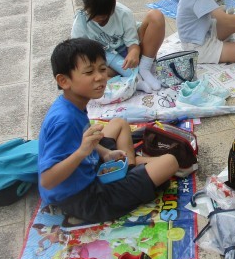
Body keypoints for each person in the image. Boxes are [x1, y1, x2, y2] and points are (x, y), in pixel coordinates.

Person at [38, 38, 180, 223]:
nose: (100, 77)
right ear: (64, 81)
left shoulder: (71, 103)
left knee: (119, 123)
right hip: (84, 198)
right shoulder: (64, 121)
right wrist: (82, 152)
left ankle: (128, 166)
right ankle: (131, 169)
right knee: (170, 162)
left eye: (103, 69)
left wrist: (105, 153)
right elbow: (47, 180)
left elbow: (78, 140)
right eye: (89, 72)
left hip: (87, 169)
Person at [71, 0, 166, 92]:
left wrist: (134, 52)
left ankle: (144, 68)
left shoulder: (123, 13)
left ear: (113, 7)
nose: (99, 19)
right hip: (105, 57)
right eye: (93, 15)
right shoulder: (81, 21)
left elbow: (132, 42)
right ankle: (134, 80)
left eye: (104, 17)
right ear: (86, 7)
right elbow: (79, 51)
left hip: (127, 49)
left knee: (156, 16)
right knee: (83, 74)